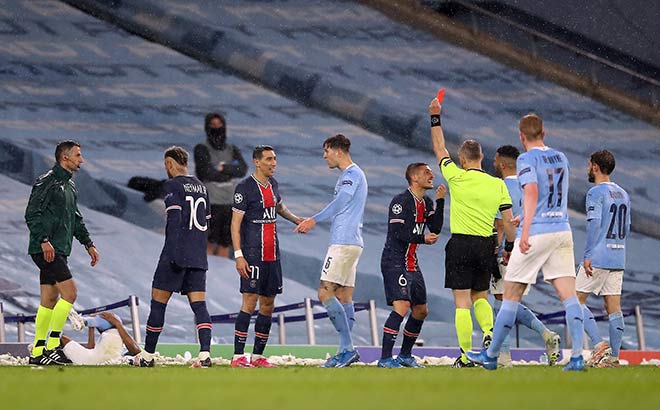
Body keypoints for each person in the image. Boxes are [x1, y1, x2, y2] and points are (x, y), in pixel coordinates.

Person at [467, 114, 586, 371]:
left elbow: (531, 192)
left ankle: (491, 355)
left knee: (510, 295)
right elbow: (553, 194)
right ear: (544, 132)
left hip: (538, 232)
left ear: (521, 137)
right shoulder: (561, 157)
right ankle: (577, 356)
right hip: (562, 229)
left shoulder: (526, 159)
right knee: (569, 296)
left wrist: (527, 228)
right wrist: (525, 216)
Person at [426, 99, 517, 368]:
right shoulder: (497, 184)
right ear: (483, 159)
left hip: (461, 243)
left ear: (463, 159)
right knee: (481, 297)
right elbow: (508, 222)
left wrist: (434, 116)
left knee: (462, 303)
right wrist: (509, 247)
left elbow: (439, 147)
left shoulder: (456, 176)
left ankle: (465, 356)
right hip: (486, 245)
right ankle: (489, 334)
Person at [136, 146, 213, 368]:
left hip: (176, 254)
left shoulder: (172, 185)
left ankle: (148, 356)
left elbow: (175, 220)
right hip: (198, 256)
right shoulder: (201, 187)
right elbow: (207, 223)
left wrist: (172, 253)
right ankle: (205, 355)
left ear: (170, 164)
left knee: (158, 304)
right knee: (199, 306)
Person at [295, 134, 368, 368]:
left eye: (326, 151)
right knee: (344, 296)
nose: (324, 156)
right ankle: (343, 351)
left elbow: (341, 203)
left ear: (338, 151)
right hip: (352, 243)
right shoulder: (351, 175)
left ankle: (347, 348)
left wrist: (313, 220)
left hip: (343, 243)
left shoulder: (351, 174)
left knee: (324, 293)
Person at [25, 140, 100, 365]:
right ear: (64, 158)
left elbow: (75, 220)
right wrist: (44, 241)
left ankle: (38, 353)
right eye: (78, 155)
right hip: (46, 248)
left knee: (49, 300)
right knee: (70, 294)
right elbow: (32, 213)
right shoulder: (47, 182)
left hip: (58, 248)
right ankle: (53, 345)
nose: (82, 160)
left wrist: (88, 244)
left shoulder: (69, 185)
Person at [230, 145, 302, 368]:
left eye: (275, 159)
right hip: (253, 254)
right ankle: (238, 357)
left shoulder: (273, 184)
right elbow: (235, 224)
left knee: (268, 304)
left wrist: (297, 220)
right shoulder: (244, 188)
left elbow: (278, 206)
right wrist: (239, 255)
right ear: (257, 162)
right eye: (269, 159)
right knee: (249, 302)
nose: (273, 163)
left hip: (273, 255)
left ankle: (258, 356)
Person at [491, 145, 561, 367]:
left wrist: (499, 248)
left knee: (502, 303)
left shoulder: (501, 187)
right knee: (510, 302)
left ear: (501, 163)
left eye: (495, 160)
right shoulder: (529, 187)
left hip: (508, 251)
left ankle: (504, 356)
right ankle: (547, 335)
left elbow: (501, 223)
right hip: (529, 249)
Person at [377, 163, 446, 368]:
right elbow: (398, 234)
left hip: (412, 263)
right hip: (394, 260)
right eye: (427, 172)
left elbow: (436, 226)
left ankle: (405, 356)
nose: (432, 175)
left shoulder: (427, 201)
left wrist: (441, 202)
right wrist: (423, 239)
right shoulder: (400, 202)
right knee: (402, 306)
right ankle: (385, 358)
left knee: (421, 310)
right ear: (414, 177)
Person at [576, 150, 630, 368]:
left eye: (589, 165)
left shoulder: (595, 193)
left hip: (598, 256)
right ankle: (614, 357)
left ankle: (599, 346)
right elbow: (626, 227)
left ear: (596, 166)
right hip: (618, 256)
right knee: (613, 306)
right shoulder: (623, 193)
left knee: (574, 299)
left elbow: (595, 225)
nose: (588, 168)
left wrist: (588, 255)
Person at [194, 112, 248, 257]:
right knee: (209, 240)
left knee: (225, 242)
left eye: (220, 125)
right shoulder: (201, 148)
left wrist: (223, 168)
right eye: (213, 125)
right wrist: (229, 172)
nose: (217, 128)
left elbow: (242, 169)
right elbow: (205, 172)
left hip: (230, 202)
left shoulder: (232, 149)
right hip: (212, 201)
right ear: (207, 127)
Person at [61, 311, 141, 365]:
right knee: (62, 338)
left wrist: (117, 323)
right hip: (95, 360)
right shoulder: (108, 335)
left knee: (62, 338)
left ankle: (83, 321)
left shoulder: (116, 334)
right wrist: (91, 327)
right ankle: (84, 321)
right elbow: (91, 349)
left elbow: (136, 351)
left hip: (93, 361)